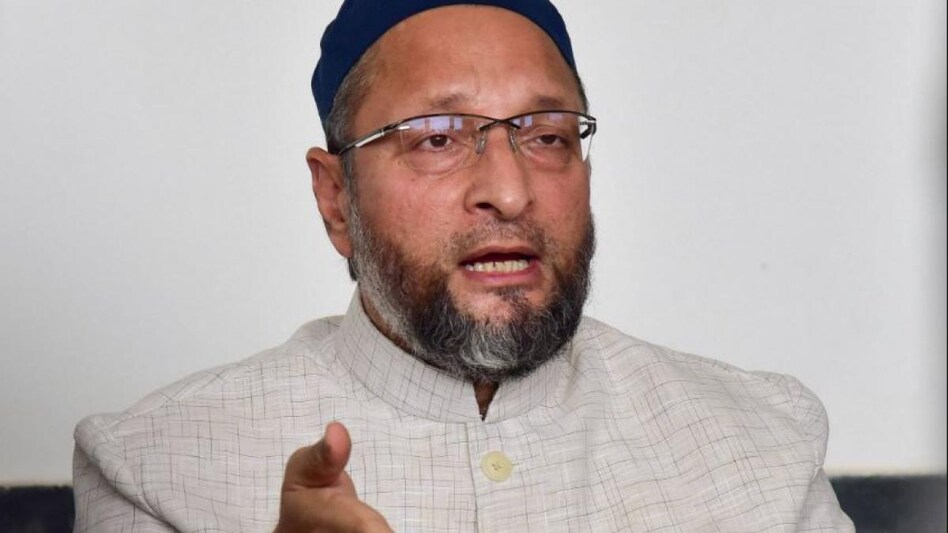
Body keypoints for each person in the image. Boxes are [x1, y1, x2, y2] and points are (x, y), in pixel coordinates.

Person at [72, 1, 854, 531]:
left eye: (546, 135)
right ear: (336, 198)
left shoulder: (762, 449)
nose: (509, 191)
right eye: (438, 137)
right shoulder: (158, 467)